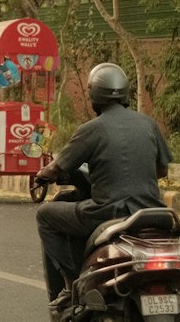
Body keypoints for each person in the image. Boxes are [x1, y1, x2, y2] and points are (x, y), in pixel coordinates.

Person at [35, 62, 172, 307]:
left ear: (94, 94)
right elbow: (161, 170)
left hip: (108, 213)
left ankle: (73, 283)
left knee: (45, 214)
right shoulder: (148, 123)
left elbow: (57, 168)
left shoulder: (92, 129)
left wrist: (42, 174)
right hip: (151, 213)